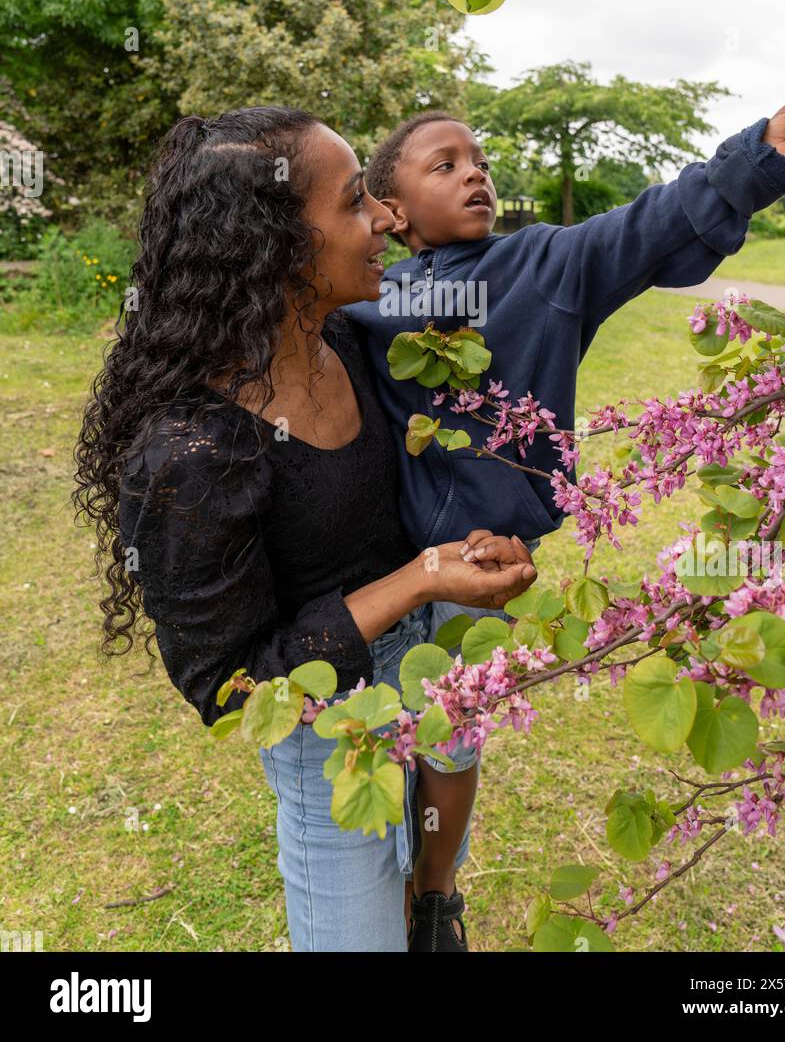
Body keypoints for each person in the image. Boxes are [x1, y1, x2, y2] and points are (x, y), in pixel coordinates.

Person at [342, 68, 785, 925]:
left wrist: (758, 164)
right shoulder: (359, 296)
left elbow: (645, 225)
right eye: (443, 165)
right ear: (388, 210)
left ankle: (433, 900)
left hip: (479, 567)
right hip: (368, 577)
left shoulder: (541, 262)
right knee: (371, 748)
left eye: (478, 160)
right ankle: (375, 899)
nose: (475, 173)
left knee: (451, 733)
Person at [72, 105, 538, 953]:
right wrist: (420, 578)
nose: (387, 221)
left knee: (433, 852)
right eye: (358, 202)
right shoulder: (192, 450)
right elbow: (230, 688)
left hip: (424, 659)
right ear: (280, 249)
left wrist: (460, 549)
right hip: (324, 738)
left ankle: (433, 902)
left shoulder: (353, 345)